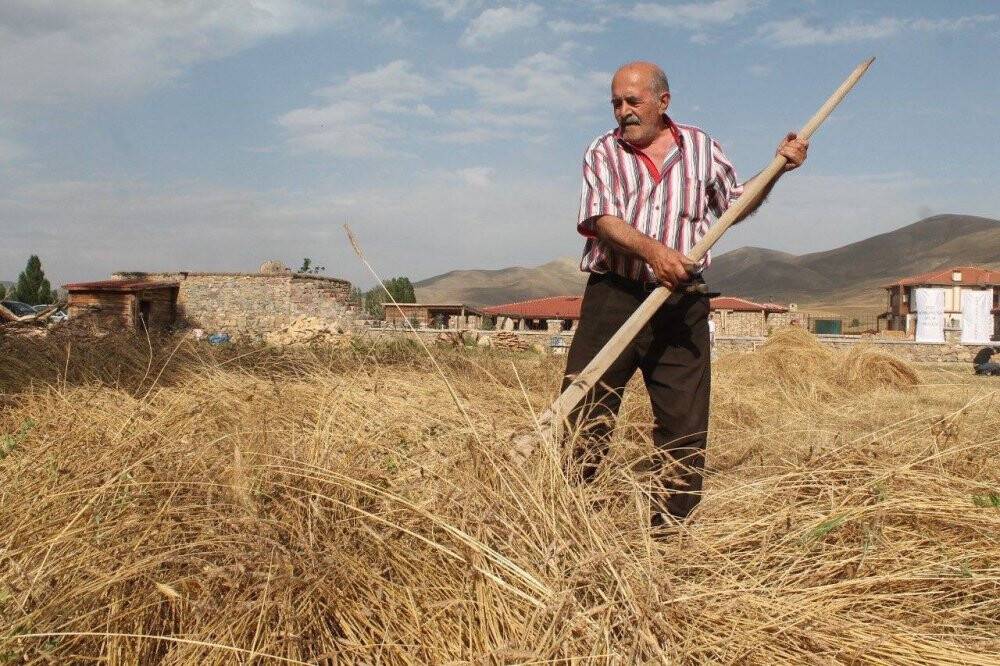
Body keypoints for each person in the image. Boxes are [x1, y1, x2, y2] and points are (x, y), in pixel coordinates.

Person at [563, 61, 808, 528]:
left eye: (632, 101)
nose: (623, 112)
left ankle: (669, 534)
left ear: (663, 102)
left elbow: (735, 204)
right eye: (616, 102)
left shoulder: (701, 148)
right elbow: (601, 220)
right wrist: (654, 252)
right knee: (583, 412)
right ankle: (567, 517)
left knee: (684, 426)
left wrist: (777, 169)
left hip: (680, 304)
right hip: (614, 296)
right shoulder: (602, 152)